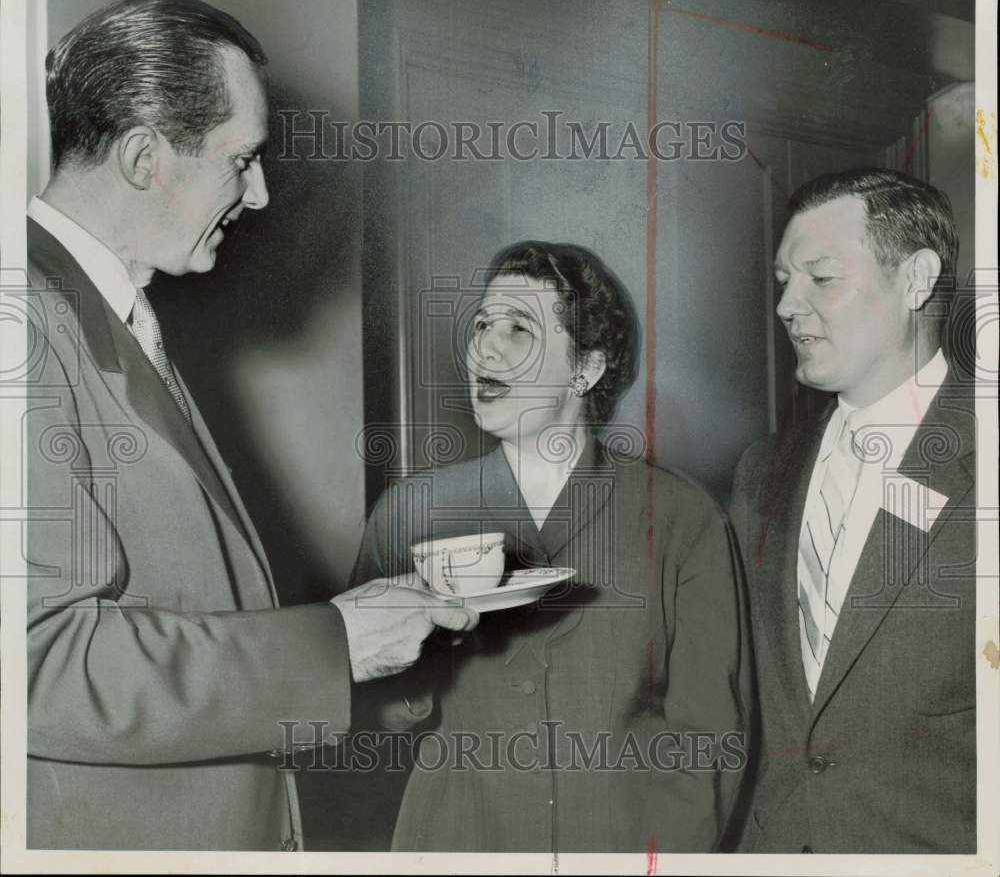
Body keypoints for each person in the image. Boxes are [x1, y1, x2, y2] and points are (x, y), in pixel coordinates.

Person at [24, 0, 476, 851]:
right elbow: (40, 663)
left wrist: (358, 635)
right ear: (145, 157)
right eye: (242, 159)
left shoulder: (105, 311)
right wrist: (330, 646)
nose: (261, 195)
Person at [350, 240, 752, 853]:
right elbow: (362, 719)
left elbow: (709, 745)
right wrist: (412, 666)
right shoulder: (410, 514)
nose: (485, 346)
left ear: (585, 369)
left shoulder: (682, 520)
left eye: (519, 329)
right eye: (482, 324)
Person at [729, 168, 976, 853]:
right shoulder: (761, 474)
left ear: (916, 279)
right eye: (784, 280)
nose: (786, 305)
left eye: (821, 278)